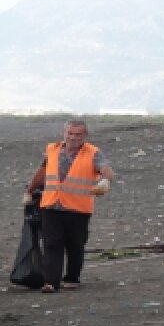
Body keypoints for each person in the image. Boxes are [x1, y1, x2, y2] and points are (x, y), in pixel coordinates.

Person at [23, 120, 115, 293]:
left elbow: (107, 170)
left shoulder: (93, 153)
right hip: (51, 204)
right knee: (51, 243)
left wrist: (105, 181)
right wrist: (30, 190)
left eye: (78, 134)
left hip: (78, 208)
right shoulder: (52, 149)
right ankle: (51, 282)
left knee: (75, 244)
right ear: (64, 133)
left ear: (85, 136)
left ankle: (72, 277)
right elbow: (42, 172)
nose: (73, 137)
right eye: (70, 133)